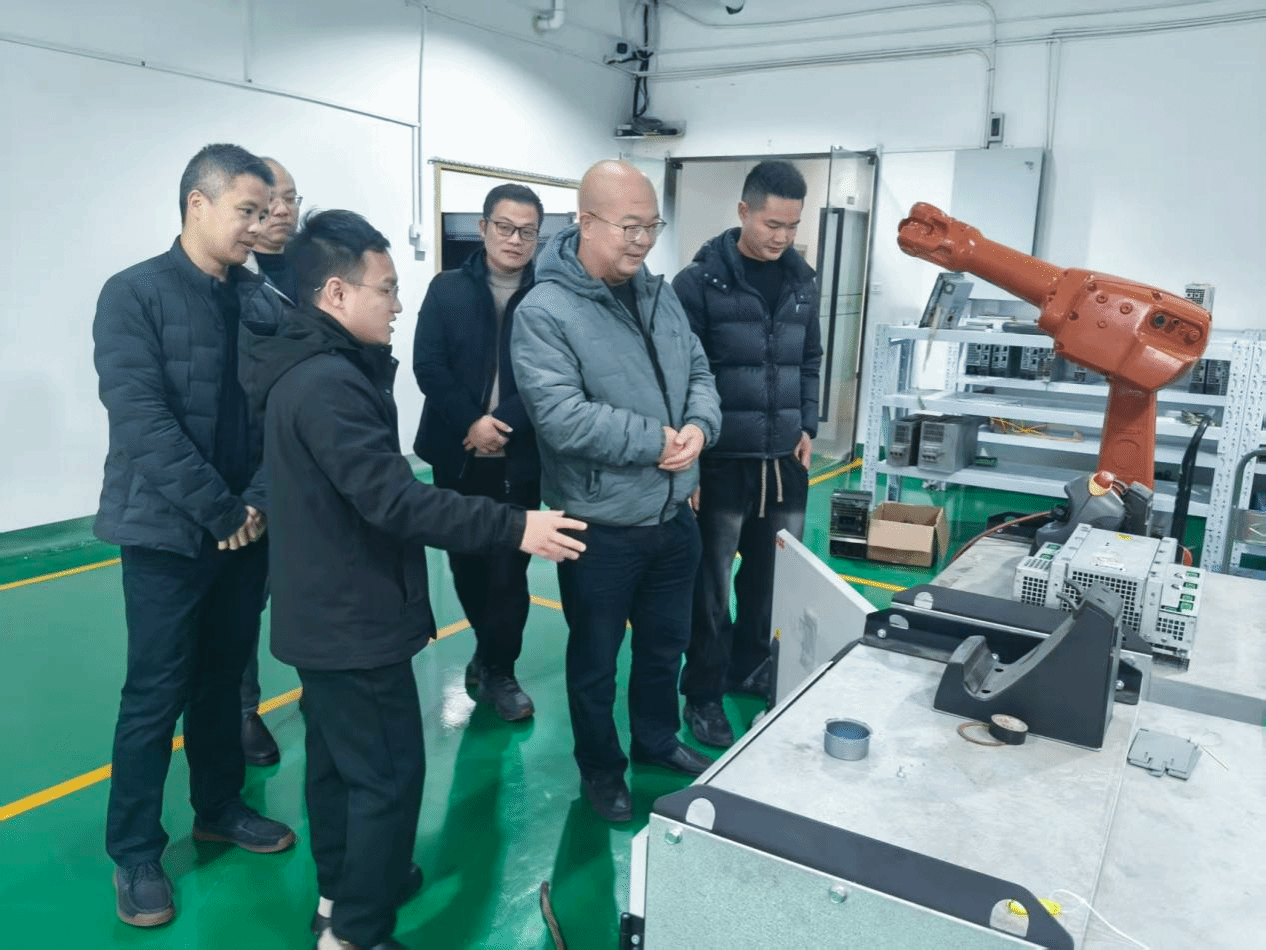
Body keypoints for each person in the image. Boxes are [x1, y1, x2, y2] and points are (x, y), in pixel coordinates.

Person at [238, 209, 586, 950]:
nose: (398, 305)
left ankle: (344, 892)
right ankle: (356, 934)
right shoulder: (328, 384)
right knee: (387, 778)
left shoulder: (310, 368)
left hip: (324, 612)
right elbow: (394, 500)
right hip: (352, 620)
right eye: (387, 288)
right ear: (335, 293)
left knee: (338, 768)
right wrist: (515, 526)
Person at [93, 143, 295, 929]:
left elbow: (285, 410)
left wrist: (257, 503)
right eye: (248, 210)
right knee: (155, 694)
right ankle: (136, 852)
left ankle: (219, 807)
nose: (260, 225)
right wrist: (224, 512)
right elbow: (141, 420)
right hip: (166, 535)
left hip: (246, 531)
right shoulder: (134, 294)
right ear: (197, 205)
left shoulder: (263, 301)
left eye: (266, 211)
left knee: (221, 683)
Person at [512, 160, 722, 823]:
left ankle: (656, 740)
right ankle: (601, 769)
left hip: (672, 516)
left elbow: (700, 372)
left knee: (664, 647)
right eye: (629, 226)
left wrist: (699, 427)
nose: (643, 241)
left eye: (651, 225)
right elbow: (561, 416)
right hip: (598, 525)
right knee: (595, 661)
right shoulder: (544, 311)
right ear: (585, 221)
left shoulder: (661, 296)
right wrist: (656, 441)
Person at [674, 160, 823, 748]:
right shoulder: (698, 284)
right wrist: (691, 462)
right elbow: (683, 375)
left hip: (783, 461)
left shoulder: (803, 282)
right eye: (771, 224)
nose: (782, 237)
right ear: (743, 212)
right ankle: (704, 692)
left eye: (792, 225)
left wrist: (807, 424)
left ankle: (750, 665)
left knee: (771, 580)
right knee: (709, 586)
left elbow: (809, 359)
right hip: (721, 461)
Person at [413, 183, 545, 722]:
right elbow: (428, 365)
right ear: (484, 228)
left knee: (509, 574)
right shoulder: (446, 289)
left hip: (520, 458)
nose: (515, 240)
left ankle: (500, 671)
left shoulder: (549, 296)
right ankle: (486, 651)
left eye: (528, 232)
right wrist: (470, 422)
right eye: (505, 227)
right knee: (467, 566)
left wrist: (501, 424)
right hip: (458, 454)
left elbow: (551, 375)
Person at [237, 155, 301, 768]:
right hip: (255, 473)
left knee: (311, 585)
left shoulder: (313, 271)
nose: (281, 211)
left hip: (310, 467)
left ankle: (322, 688)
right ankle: (243, 711)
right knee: (245, 599)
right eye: (269, 200)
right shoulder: (231, 282)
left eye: (291, 199)